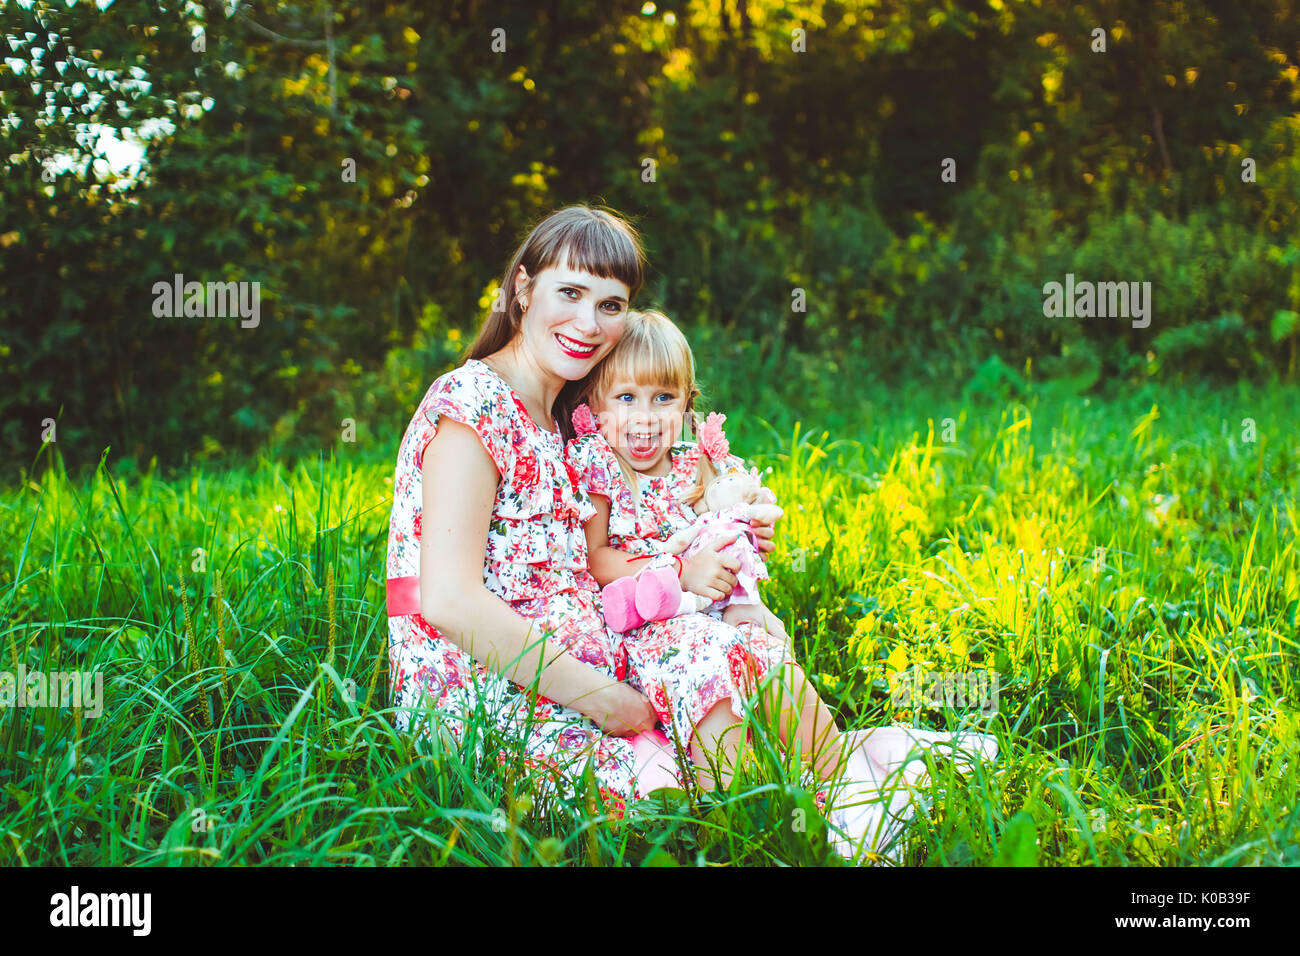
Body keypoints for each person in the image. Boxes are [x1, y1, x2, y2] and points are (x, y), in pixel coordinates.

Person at [383, 205, 780, 816]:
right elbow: (449, 601)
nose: (588, 323)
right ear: (522, 289)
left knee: (750, 688)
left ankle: (842, 792)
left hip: (589, 662)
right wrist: (602, 697)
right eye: (569, 293)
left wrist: (721, 546)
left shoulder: (571, 422)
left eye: (611, 305)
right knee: (676, 797)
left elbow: (622, 542)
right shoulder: (472, 404)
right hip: (491, 694)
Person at [564, 308, 999, 859]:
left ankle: (841, 778)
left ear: (687, 402)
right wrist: (675, 572)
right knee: (708, 667)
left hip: (719, 605)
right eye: (625, 399)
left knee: (766, 655)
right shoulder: (598, 465)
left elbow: (727, 515)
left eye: (663, 399)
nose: (645, 419)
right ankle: (746, 806)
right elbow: (597, 558)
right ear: (594, 405)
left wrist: (747, 526)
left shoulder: (690, 464)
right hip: (653, 623)